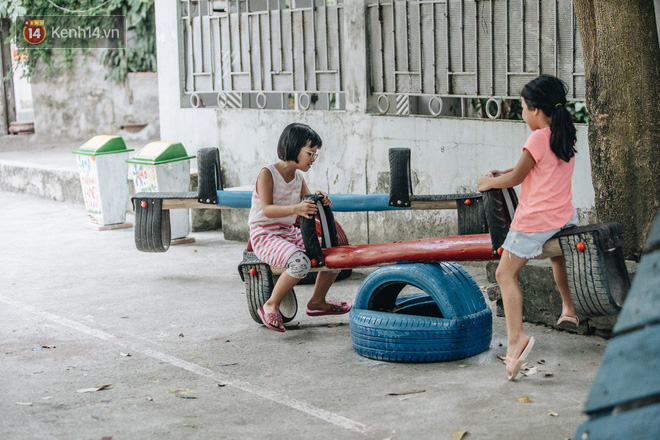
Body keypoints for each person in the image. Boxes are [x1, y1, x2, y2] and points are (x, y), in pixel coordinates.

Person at [477, 75, 579, 381]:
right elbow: (540, 168)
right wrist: (506, 170)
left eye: (522, 107)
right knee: (557, 258)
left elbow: (516, 178)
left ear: (535, 110)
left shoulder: (536, 138)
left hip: (535, 221)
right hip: (564, 217)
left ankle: (515, 340)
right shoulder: (565, 136)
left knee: (504, 274)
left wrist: (488, 182)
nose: (521, 113)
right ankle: (568, 308)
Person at [248, 123, 350, 332]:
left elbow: (308, 207)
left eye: (315, 154)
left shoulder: (298, 177)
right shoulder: (268, 173)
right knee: (300, 263)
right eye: (310, 153)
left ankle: (317, 302)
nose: (313, 158)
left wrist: (320, 200)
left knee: (335, 253)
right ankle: (270, 304)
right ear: (294, 148)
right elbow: (267, 210)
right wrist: (297, 207)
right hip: (265, 234)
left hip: (287, 233)